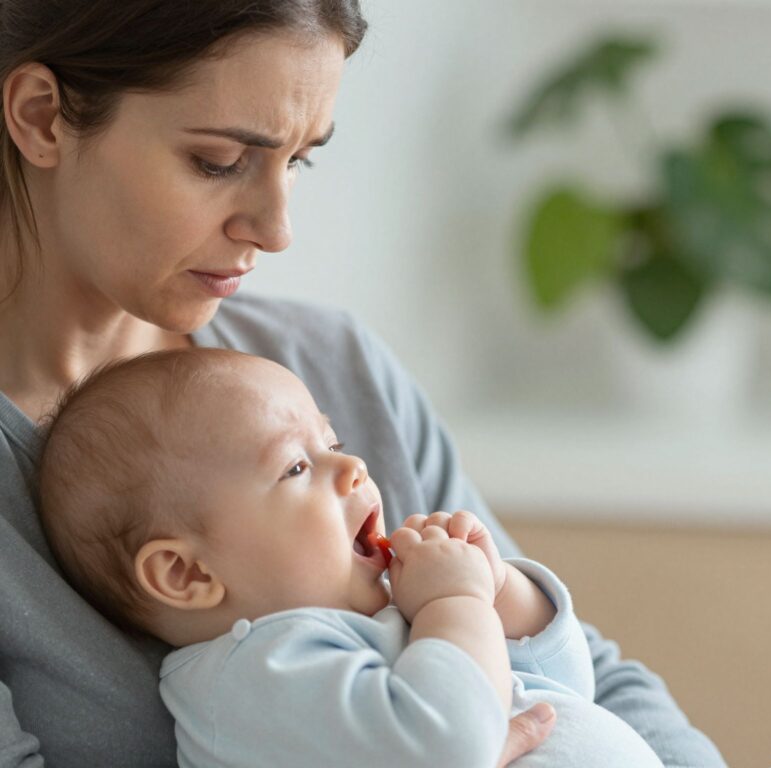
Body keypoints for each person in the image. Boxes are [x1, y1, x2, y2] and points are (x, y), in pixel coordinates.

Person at [0, 1, 727, 766]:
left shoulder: (329, 363)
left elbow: (589, 674)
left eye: (299, 160)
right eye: (218, 161)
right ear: (43, 117)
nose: (277, 229)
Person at [36, 347, 667, 768]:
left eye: (333, 442)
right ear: (187, 573)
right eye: (297, 466)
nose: (353, 467)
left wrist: (500, 592)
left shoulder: (381, 619)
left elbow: (565, 690)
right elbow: (449, 744)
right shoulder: (256, 676)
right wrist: (455, 603)